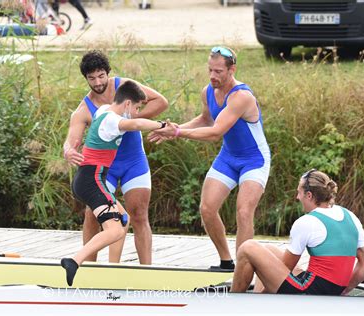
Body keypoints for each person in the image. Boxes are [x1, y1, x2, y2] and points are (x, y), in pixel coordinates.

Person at [149, 46, 271, 271]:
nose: (213, 76)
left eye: (218, 72)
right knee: (207, 209)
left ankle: (244, 270)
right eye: (210, 70)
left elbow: (215, 132)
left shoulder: (241, 96)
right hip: (229, 157)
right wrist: (173, 130)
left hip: (254, 160)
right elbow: (206, 119)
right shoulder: (208, 91)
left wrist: (177, 133)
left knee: (244, 211)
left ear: (232, 70)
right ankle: (227, 262)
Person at [63, 50, 168, 265]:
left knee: (138, 214)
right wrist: (68, 150)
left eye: (101, 76)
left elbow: (161, 102)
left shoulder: (125, 87)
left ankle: (146, 271)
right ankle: (89, 267)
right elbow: (71, 140)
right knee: (93, 216)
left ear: (108, 73)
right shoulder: (85, 109)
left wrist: (131, 116)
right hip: (105, 169)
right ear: (86, 79)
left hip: (133, 162)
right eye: (92, 78)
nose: (98, 82)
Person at [231, 169, 364, 295]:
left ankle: (237, 304)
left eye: (299, 192)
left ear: (309, 195)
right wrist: (346, 289)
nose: (297, 197)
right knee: (268, 250)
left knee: (247, 247)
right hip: (331, 288)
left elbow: (285, 268)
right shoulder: (349, 215)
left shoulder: (307, 222)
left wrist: (265, 297)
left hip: (308, 290)